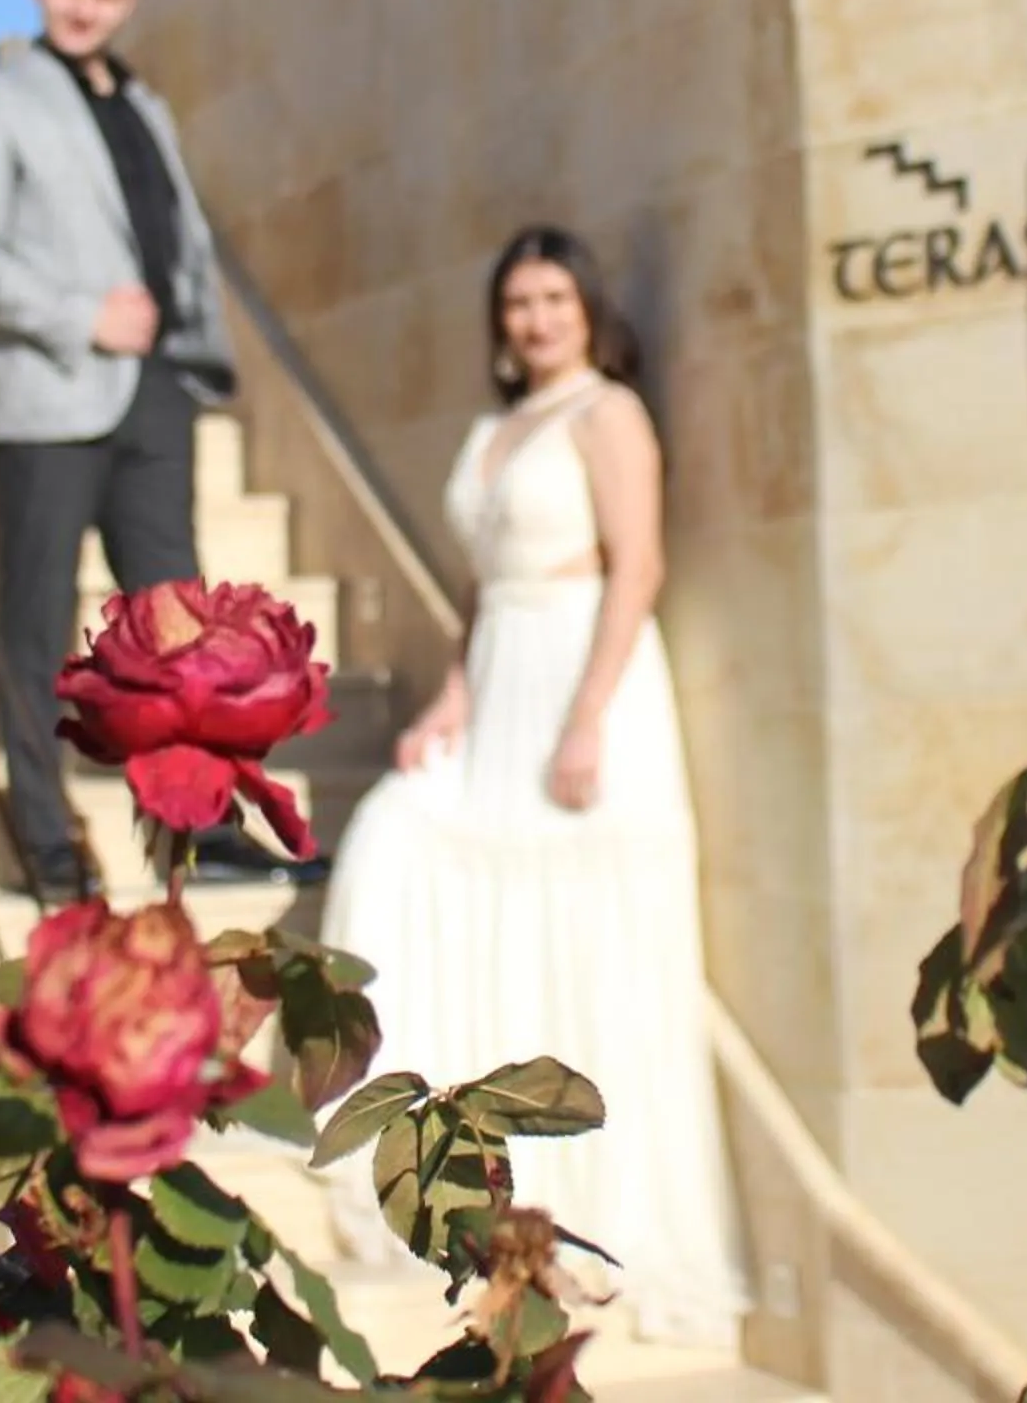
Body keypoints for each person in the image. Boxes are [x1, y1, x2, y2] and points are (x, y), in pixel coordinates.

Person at [318, 227, 748, 1348]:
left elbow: (637, 565)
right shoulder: (494, 424)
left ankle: (598, 1214)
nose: (537, 317)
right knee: (395, 833)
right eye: (518, 299)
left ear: (588, 307)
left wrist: (590, 715)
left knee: (584, 929)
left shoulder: (609, 413)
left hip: (580, 674)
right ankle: (449, 1166)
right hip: (502, 672)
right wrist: (452, 697)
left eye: (556, 296)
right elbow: (484, 587)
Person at [0, 0, 307, 895]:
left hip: (155, 391)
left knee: (177, 624)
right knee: (38, 620)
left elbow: (176, 238)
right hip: (48, 393)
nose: (85, 8)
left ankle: (196, 824)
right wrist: (79, 314)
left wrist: (194, 353)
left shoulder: (147, 105)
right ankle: (43, 834)